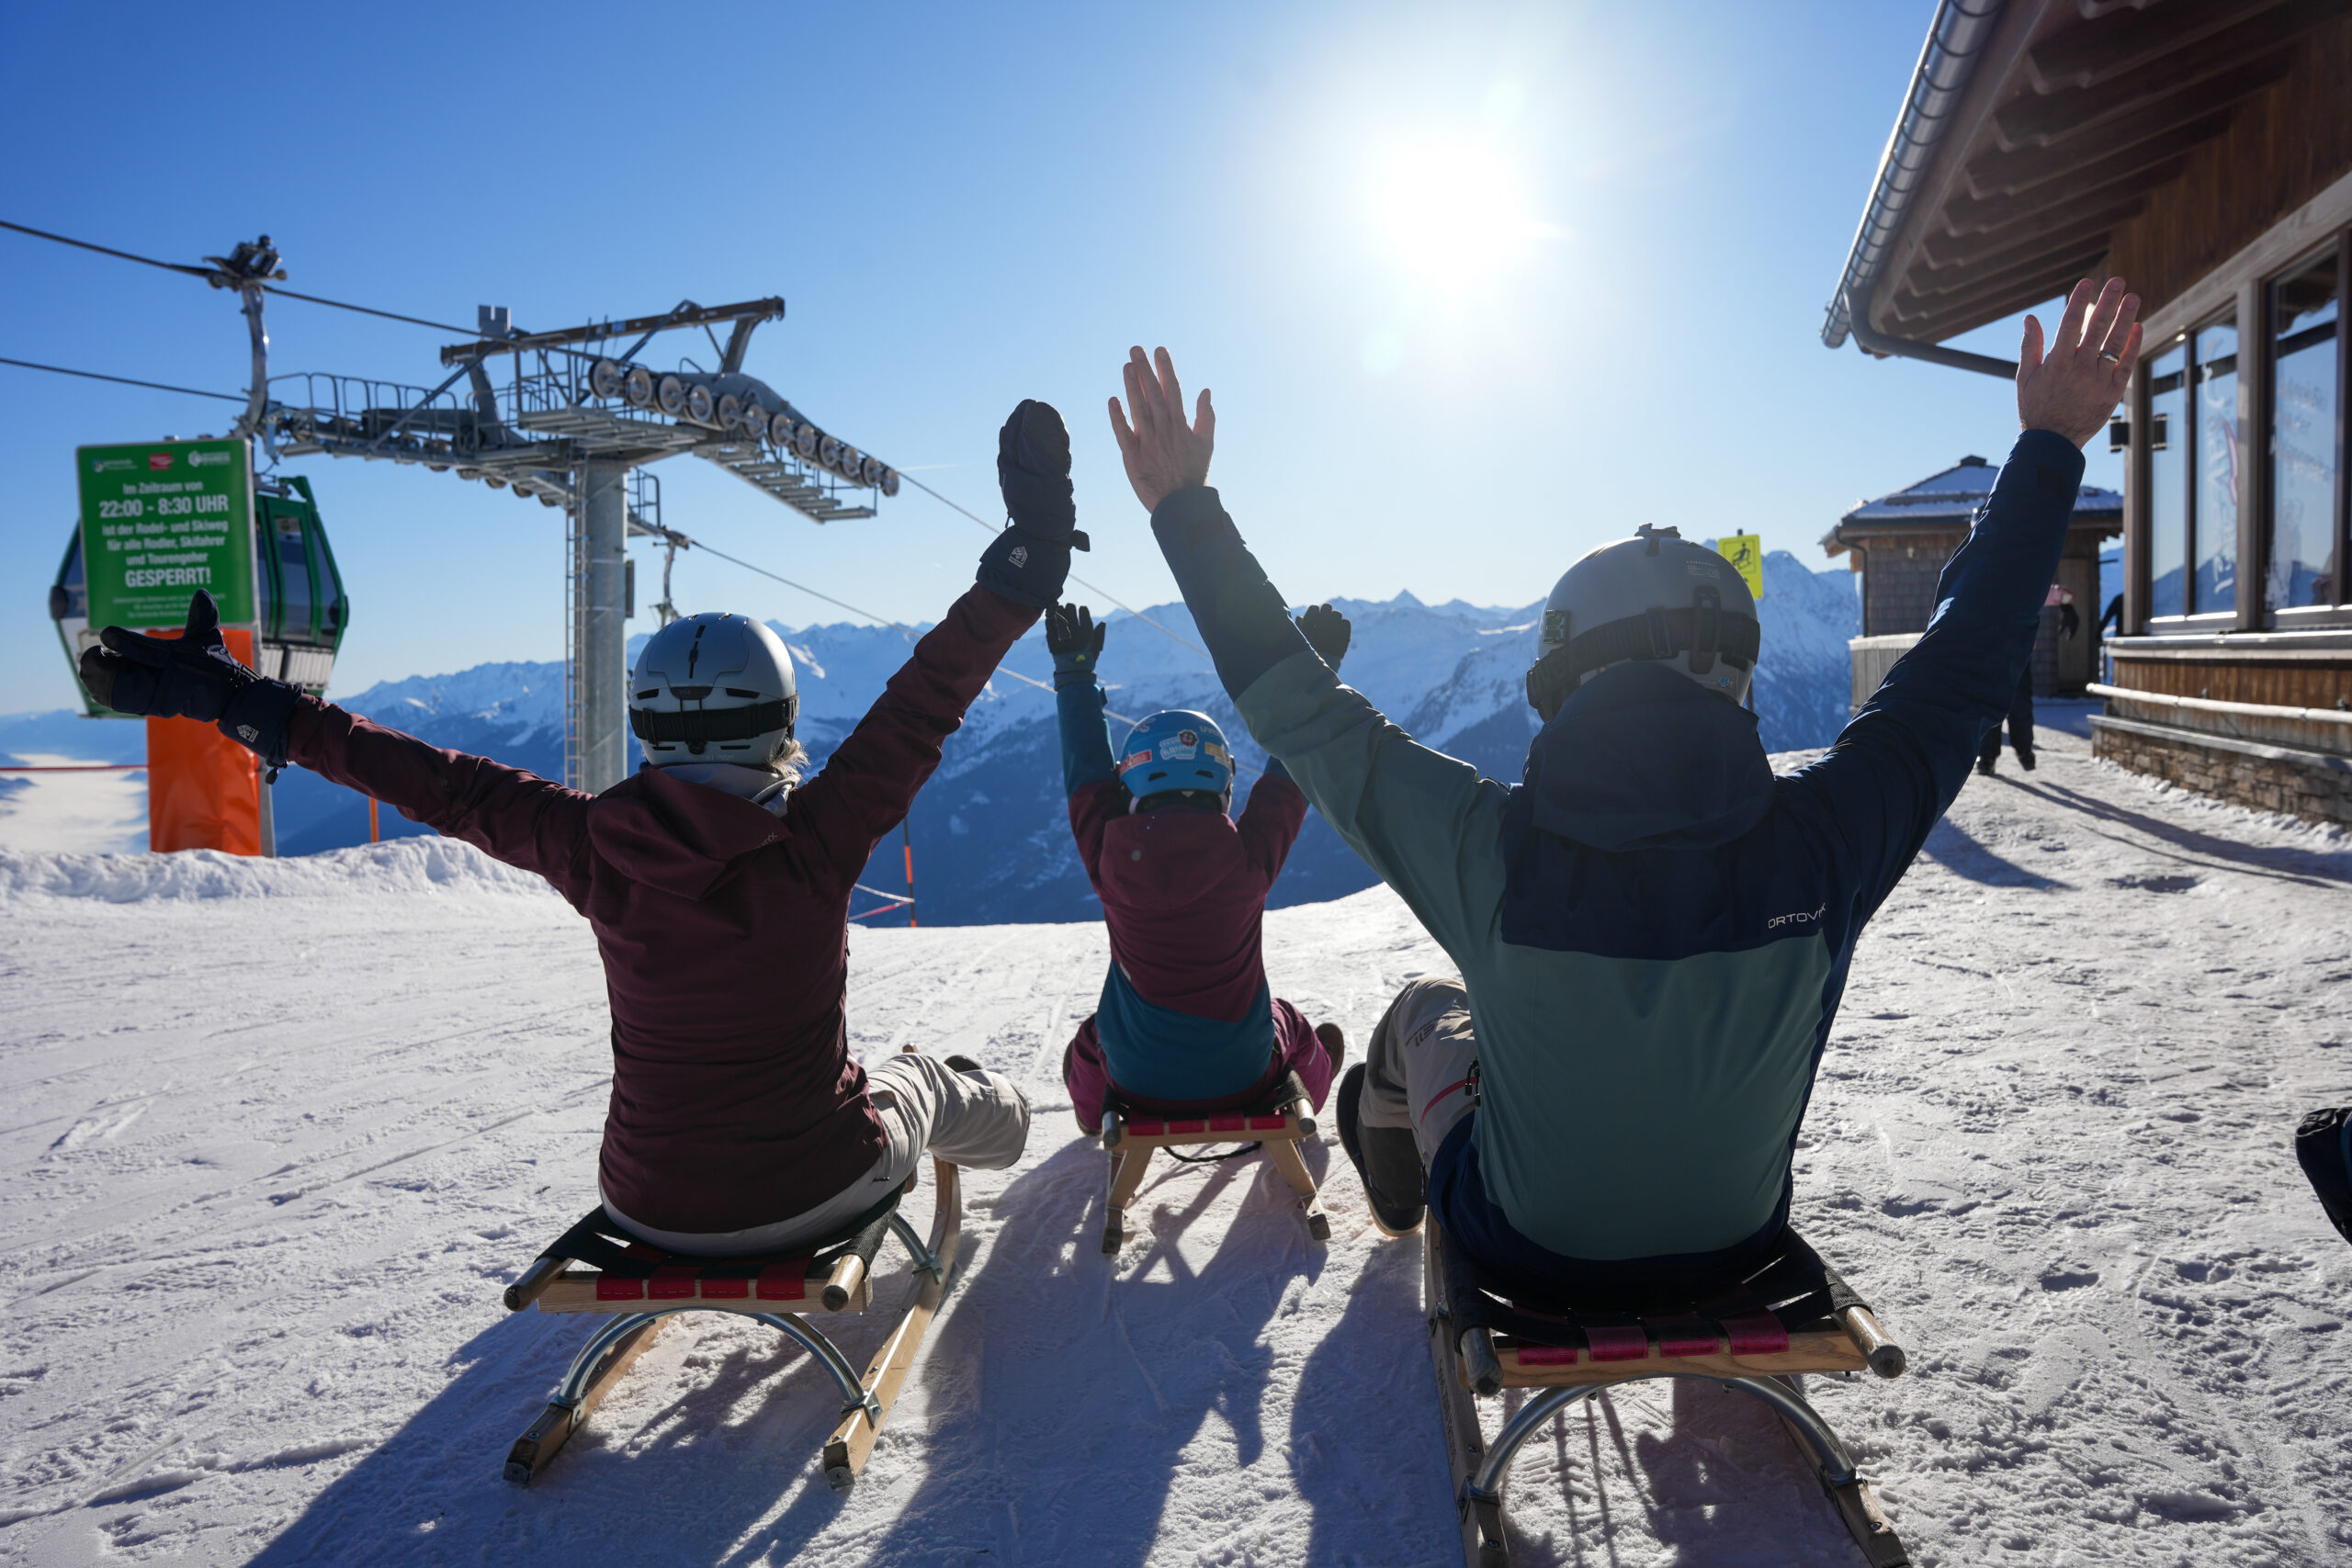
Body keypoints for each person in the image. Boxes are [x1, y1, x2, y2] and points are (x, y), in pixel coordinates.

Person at [1106, 277, 2143, 1303]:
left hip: (1525, 1247)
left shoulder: (1490, 850)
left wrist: (1185, 511)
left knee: (1426, 1010)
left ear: (1562, 681)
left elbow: (1305, 714)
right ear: (1737, 673)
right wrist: (2049, 445)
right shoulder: (1827, 840)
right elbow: (1961, 674)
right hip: (1736, 1243)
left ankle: (1397, 1192)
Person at [79, 400, 1091, 1258]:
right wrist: (1022, 571)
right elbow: (921, 705)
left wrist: (245, 702)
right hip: (815, 1190)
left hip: (646, 1205)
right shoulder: (818, 838)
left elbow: (435, 783)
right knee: (922, 1082)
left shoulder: (593, 841)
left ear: (646, 726)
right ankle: (1012, 1125)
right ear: (782, 722)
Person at [1046, 602, 1345, 1133]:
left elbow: (1085, 773)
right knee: (1290, 1023)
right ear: (1224, 787)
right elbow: (1292, 768)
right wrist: (1313, 669)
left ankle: (1094, 1116)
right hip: (1245, 1076)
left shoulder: (1109, 855)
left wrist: (1075, 673)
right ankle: (1312, 1091)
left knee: (1096, 1037)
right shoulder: (1249, 860)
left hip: (1137, 1080)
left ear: (1130, 784)